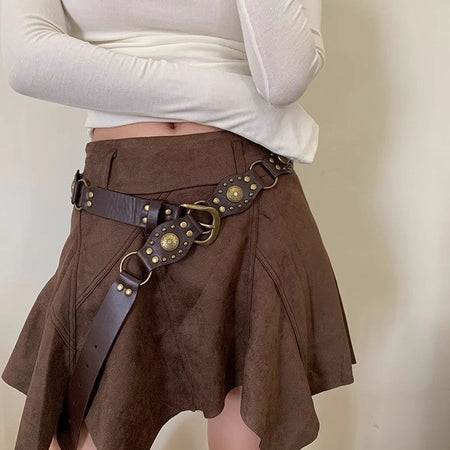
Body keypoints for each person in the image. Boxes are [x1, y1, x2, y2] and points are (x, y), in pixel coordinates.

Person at [0, 0, 356, 449]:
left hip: (248, 198)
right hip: (117, 203)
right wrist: (237, 100)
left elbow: (284, 77)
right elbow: (30, 61)